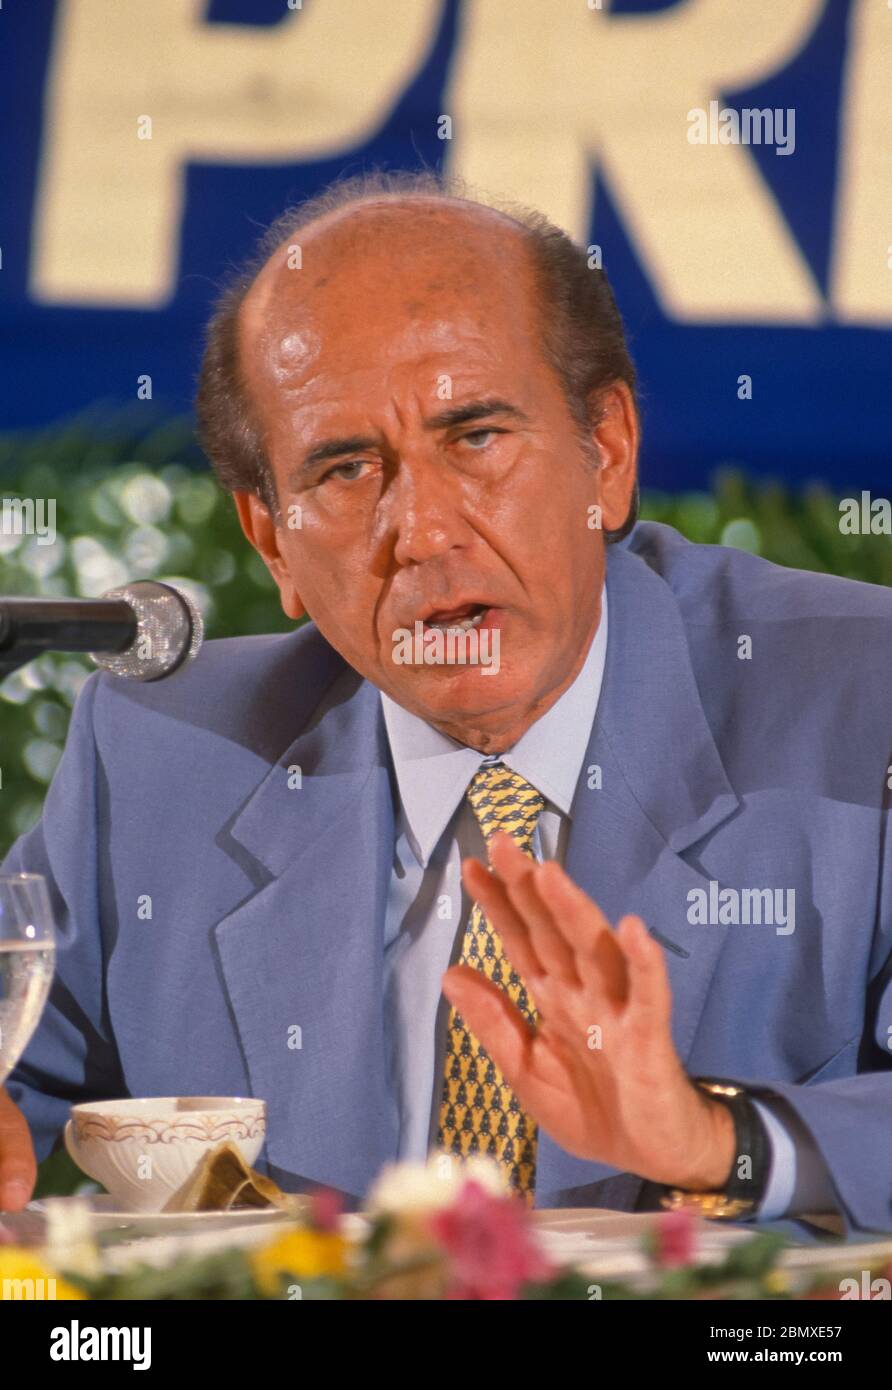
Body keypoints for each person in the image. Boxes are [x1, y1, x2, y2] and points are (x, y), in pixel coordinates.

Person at [2, 171, 891, 1233]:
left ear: (605, 453)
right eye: (343, 468)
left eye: (475, 437)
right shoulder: (163, 757)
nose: (421, 531)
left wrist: (717, 1141)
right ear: (271, 538)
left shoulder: (856, 702)